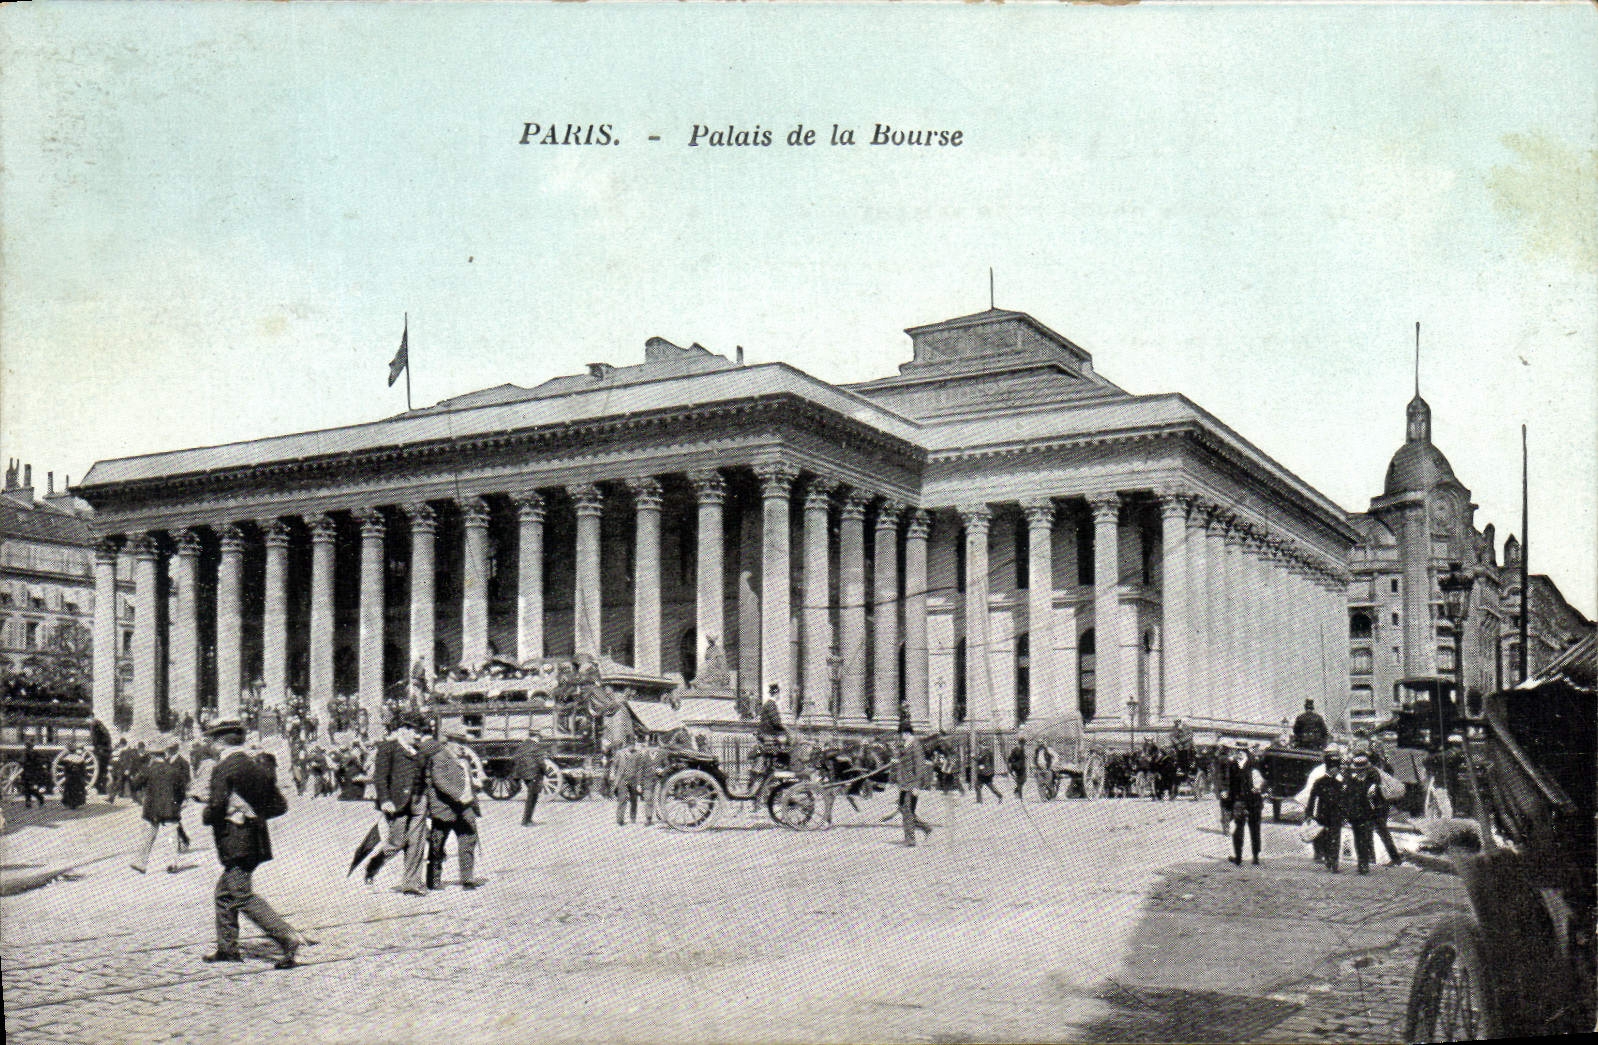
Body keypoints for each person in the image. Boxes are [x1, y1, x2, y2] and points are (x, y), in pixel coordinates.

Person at [201, 720, 315, 969]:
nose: (208, 745)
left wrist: (210, 815)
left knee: (241, 895)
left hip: (236, 840)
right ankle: (227, 948)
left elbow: (217, 807)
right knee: (224, 894)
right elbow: (279, 805)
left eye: (210, 741)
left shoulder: (224, 767)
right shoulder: (254, 765)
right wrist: (253, 813)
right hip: (255, 841)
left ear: (219, 743)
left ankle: (286, 937)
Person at [368, 714, 429, 894]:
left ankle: (412, 883)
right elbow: (380, 777)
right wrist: (385, 800)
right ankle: (374, 864)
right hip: (397, 803)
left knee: (417, 843)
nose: (417, 736)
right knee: (396, 842)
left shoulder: (418, 751)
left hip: (419, 801)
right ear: (403, 730)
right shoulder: (388, 748)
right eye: (415, 732)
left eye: (419, 733)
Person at [425, 733, 484, 889]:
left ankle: (467, 879)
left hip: (465, 808)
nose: (462, 748)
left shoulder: (464, 760)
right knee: (437, 844)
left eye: (464, 744)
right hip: (445, 808)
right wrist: (458, 795)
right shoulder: (439, 757)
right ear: (449, 743)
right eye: (459, 744)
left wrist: (474, 789)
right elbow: (439, 781)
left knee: (468, 840)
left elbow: (467, 781)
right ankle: (433, 879)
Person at [131, 739, 193, 874]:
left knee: (148, 835)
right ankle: (172, 863)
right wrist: (179, 803)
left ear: (152, 756)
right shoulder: (174, 771)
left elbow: (135, 784)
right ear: (165, 755)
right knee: (171, 835)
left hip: (151, 809)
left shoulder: (148, 770)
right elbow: (181, 791)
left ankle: (141, 863)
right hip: (170, 808)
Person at [1221, 743, 1265, 865]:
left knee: (1254, 829)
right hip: (1238, 801)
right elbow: (1226, 780)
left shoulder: (1254, 764)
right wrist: (1224, 791)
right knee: (1238, 829)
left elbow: (1262, 779)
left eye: (1242, 750)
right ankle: (1238, 857)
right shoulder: (1232, 765)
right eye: (1238, 750)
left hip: (1253, 801)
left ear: (1246, 752)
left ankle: (1256, 856)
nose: (1239, 752)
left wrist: (1260, 788)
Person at [1303, 746, 1346, 872]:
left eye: (1337, 768)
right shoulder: (1320, 782)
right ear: (1330, 768)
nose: (1336, 770)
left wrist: (1345, 813)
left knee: (1335, 837)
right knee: (1325, 836)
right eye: (1334, 768)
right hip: (1323, 813)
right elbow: (1312, 799)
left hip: (1336, 814)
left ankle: (1334, 861)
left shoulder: (1340, 783)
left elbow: (1344, 800)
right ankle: (1328, 857)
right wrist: (1309, 814)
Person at [892, 726, 934, 846]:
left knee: (907, 810)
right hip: (904, 784)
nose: (901, 737)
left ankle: (910, 839)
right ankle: (926, 828)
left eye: (901, 734)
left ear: (906, 733)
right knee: (903, 808)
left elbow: (919, 765)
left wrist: (917, 786)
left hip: (911, 784)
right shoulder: (906, 744)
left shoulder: (915, 745)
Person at [1342, 753, 1382, 874]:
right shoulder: (1351, 781)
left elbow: (1377, 782)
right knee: (1358, 838)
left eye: (1362, 770)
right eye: (1358, 770)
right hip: (1354, 814)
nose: (1360, 772)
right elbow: (1347, 797)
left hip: (1367, 813)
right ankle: (1361, 861)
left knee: (1364, 837)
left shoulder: (1372, 781)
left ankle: (1364, 863)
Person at [510, 728, 548, 827]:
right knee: (532, 797)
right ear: (537, 737)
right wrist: (546, 772)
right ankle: (526, 821)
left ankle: (527, 820)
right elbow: (541, 762)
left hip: (522, 774)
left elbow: (514, 758)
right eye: (539, 737)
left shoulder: (523, 744)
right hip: (533, 774)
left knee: (531, 796)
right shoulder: (537, 746)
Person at [612, 741, 644, 826]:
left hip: (634, 779)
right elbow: (614, 765)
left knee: (634, 799)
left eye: (633, 745)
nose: (632, 747)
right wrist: (613, 775)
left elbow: (640, 769)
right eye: (630, 745)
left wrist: (639, 783)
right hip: (622, 779)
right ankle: (620, 820)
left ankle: (633, 818)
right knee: (622, 799)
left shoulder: (638, 754)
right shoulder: (620, 753)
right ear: (627, 745)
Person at [59, 742, 93, 810]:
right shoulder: (80, 758)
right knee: (77, 789)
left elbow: (61, 763)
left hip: (70, 776)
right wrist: (83, 776)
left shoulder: (67, 758)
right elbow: (83, 769)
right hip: (78, 776)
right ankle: (76, 803)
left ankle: (70, 803)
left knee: (69, 789)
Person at [19, 739, 49, 808]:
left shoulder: (31, 753)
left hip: (30, 773)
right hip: (28, 773)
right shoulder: (30, 752)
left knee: (29, 788)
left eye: (28, 745)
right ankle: (33, 800)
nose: (27, 747)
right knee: (28, 788)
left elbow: (21, 761)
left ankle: (36, 799)